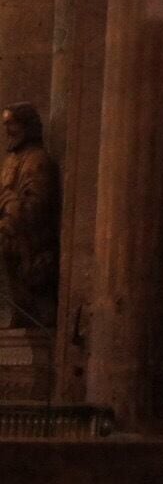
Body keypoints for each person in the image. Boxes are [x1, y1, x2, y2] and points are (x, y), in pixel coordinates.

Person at [0, 103, 59, 330]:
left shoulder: (37, 160)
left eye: (12, 124)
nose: (8, 130)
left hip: (28, 239)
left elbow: (36, 206)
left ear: (27, 125)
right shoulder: (11, 161)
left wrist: (11, 207)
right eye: (5, 125)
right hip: (10, 230)